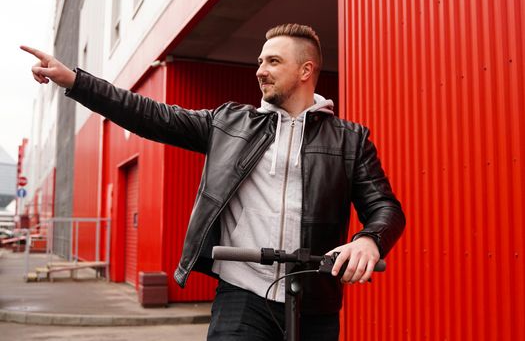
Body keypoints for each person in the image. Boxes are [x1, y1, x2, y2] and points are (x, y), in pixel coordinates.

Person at [22, 23, 405, 340]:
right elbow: (149, 114)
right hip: (242, 294)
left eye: (273, 61)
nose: (260, 70)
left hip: (315, 301)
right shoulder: (229, 123)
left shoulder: (349, 139)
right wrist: (75, 80)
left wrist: (370, 241)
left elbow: (385, 207)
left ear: (306, 70)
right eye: (259, 61)